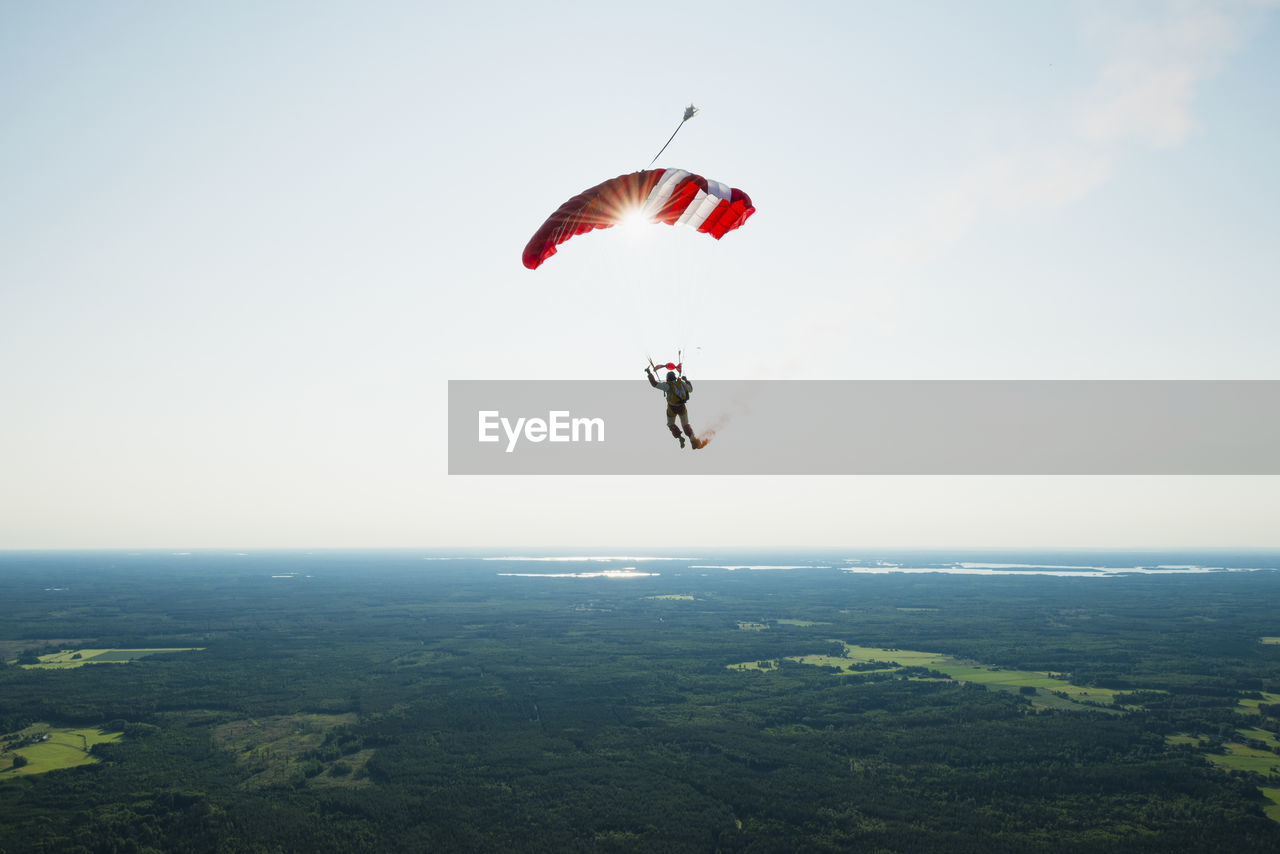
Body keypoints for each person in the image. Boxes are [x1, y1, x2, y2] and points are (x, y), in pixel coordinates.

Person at [645, 366, 700, 449]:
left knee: (671, 424)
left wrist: (649, 373)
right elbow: (691, 389)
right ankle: (692, 439)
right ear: (674, 377)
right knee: (685, 424)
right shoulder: (682, 383)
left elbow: (654, 383)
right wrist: (686, 380)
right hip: (682, 407)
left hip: (672, 409)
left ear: (667, 379)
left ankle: (679, 437)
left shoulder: (667, 385)